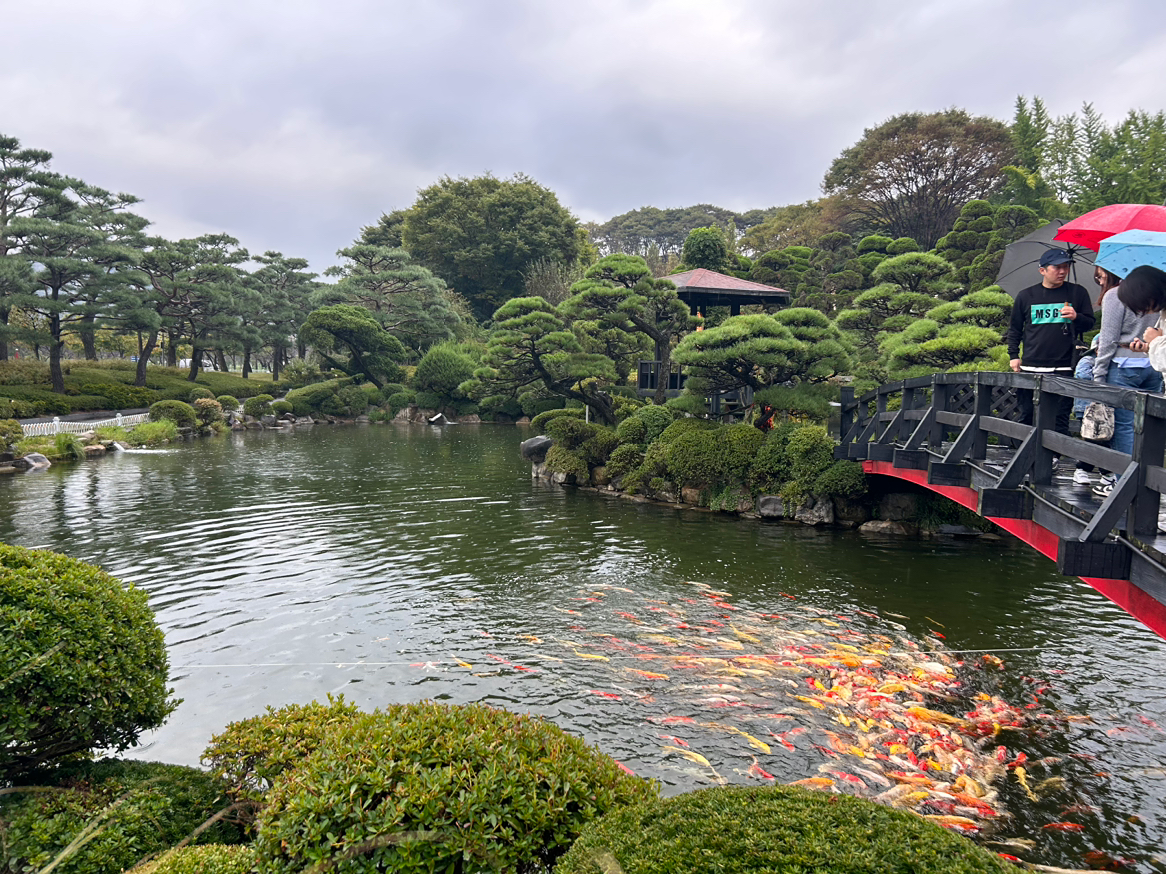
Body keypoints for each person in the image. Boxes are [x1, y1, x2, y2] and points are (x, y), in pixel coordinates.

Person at [1006, 248, 1096, 440]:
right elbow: (1014, 329)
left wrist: (1076, 316)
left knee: (1060, 416)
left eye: (1066, 267)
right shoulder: (1026, 296)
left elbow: (1090, 323)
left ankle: (1053, 457)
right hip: (1031, 365)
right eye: (1057, 267)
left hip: (1063, 365)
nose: (1062, 271)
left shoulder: (1077, 293)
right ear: (1043, 270)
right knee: (1027, 414)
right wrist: (1013, 356)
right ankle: (1023, 454)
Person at [1087, 266, 1162, 495]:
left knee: (1123, 429)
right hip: (1153, 365)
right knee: (1150, 430)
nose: (1100, 280)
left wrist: (1099, 375)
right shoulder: (1158, 294)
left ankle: (1125, 485)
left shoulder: (1115, 295)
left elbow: (1108, 339)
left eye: (1100, 275)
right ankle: (1150, 486)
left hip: (1122, 366)